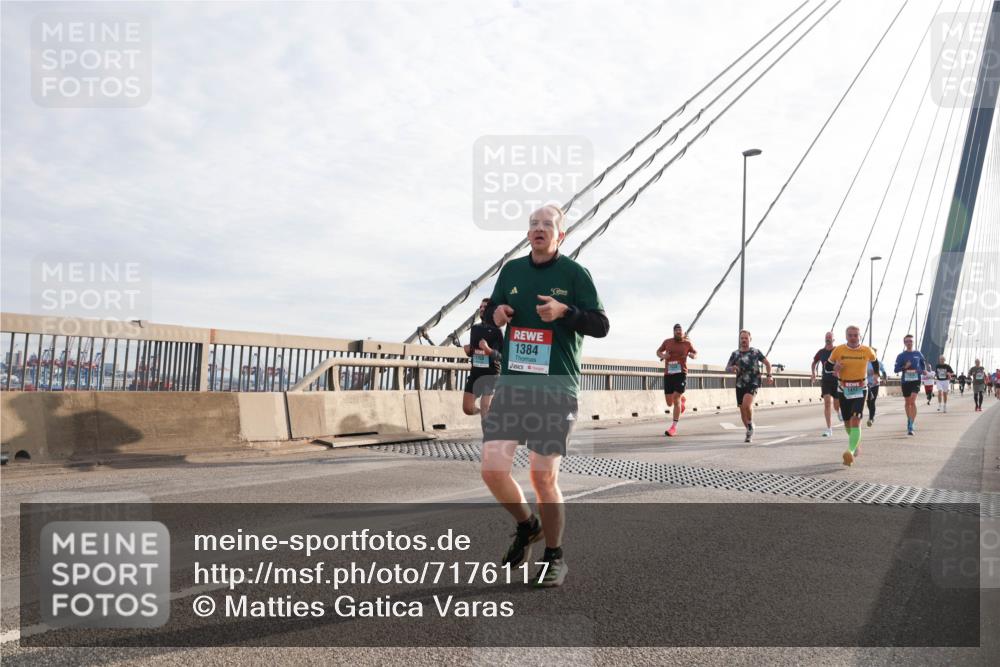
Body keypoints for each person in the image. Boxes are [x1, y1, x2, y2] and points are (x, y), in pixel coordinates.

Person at [480, 204, 609, 589]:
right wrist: (497, 316)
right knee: (492, 470)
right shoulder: (512, 271)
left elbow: (600, 325)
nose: (539, 229)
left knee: (541, 476)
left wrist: (565, 311)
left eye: (547, 224)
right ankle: (527, 524)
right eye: (533, 224)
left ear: (560, 235)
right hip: (514, 387)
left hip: (556, 389)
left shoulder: (574, 273)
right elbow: (490, 318)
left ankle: (555, 556)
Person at [829, 325, 877, 466]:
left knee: (856, 419)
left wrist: (876, 374)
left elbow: (875, 363)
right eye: (850, 335)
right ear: (846, 336)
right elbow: (827, 366)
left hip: (860, 389)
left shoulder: (867, 350)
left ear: (859, 336)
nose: (853, 337)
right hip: (843, 388)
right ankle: (855, 443)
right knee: (847, 422)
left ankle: (849, 451)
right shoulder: (838, 350)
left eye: (856, 335)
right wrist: (834, 368)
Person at [725, 330, 773, 443]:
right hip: (740, 383)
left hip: (753, 381)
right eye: (742, 338)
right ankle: (749, 431)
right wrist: (732, 368)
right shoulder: (735, 354)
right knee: (742, 410)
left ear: (750, 339)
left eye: (746, 338)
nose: (744, 340)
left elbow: (767, 363)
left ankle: (750, 424)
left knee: (747, 404)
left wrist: (769, 375)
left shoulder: (755, 352)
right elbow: (727, 367)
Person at [462, 298, 503, 421]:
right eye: (480, 307)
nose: (482, 309)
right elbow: (474, 351)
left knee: (485, 406)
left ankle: (487, 436)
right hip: (475, 373)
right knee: (468, 409)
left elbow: (500, 356)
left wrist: (487, 348)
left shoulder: (497, 331)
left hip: (490, 374)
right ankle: (490, 414)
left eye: (485, 307)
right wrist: (468, 351)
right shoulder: (475, 328)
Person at [656, 324, 697, 437]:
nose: (678, 332)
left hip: (681, 373)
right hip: (668, 374)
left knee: (675, 397)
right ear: (673, 332)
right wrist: (664, 356)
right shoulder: (667, 342)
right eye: (676, 330)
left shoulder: (687, 343)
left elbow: (695, 352)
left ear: (683, 332)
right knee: (669, 403)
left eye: (680, 330)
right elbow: (658, 352)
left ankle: (673, 427)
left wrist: (692, 355)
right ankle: (681, 402)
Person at [894, 334, 926, 436]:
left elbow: (923, 367)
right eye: (907, 341)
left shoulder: (918, 354)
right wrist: (905, 367)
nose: (909, 343)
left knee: (912, 401)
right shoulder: (901, 356)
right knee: (908, 403)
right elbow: (896, 369)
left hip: (916, 380)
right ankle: (909, 420)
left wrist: (921, 371)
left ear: (913, 342)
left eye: (911, 341)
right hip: (905, 381)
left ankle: (911, 424)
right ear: (904, 343)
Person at [811, 332, 841, 438]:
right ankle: (829, 429)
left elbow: (843, 362)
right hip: (825, 381)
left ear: (833, 339)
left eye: (830, 338)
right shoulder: (821, 352)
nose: (828, 339)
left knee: (836, 405)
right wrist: (814, 373)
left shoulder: (837, 350)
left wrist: (839, 369)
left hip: (836, 381)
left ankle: (839, 412)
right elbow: (814, 362)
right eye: (826, 337)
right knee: (827, 403)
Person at [865, 350, 884, 427]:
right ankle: (872, 413)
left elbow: (883, 371)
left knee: (872, 401)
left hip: (875, 384)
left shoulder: (879, 363)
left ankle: (871, 418)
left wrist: (884, 377)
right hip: (866, 385)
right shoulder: (865, 363)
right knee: (868, 402)